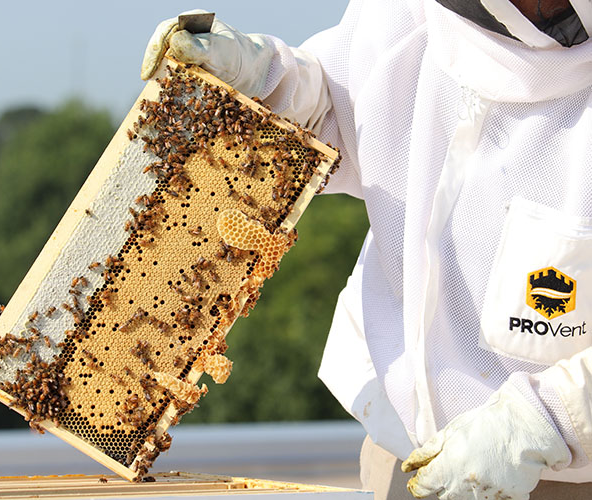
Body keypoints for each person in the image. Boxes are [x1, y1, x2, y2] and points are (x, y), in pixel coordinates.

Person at [141, 1, 592, 499]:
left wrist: (543, 423)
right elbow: (340, 105)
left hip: (566, 477)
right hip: (403, 448)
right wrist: (258, 75)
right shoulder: (404, 14)